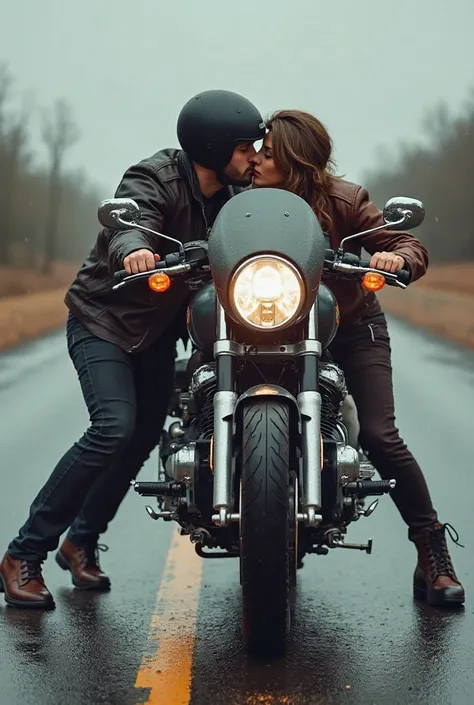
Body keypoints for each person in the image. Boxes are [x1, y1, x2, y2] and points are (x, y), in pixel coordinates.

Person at [0, 89, 265, 609]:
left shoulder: (233, 202)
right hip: (105, 323)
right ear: (211, 147)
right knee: (112, 428)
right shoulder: (155, 177)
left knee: (142, 436)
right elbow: (127, 220)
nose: (254, 156)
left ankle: (80, 540)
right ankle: (23, 553)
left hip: (158, 335)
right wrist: (137, 250)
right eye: (244, 147)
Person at [250, 109, 465, 607]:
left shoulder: (345, 200)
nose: (256, 160)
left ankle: (431, 551)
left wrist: (397, 258)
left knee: (379, 434)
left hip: (348, 326)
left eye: (267, 152)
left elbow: (407, 243)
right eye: (256, 151)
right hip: (266, 326)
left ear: (293, 157)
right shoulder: (242, 200)